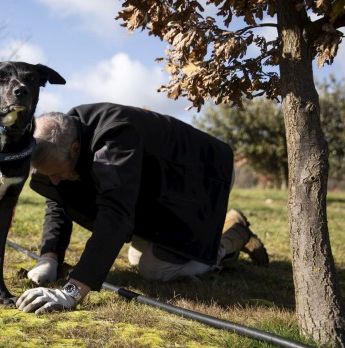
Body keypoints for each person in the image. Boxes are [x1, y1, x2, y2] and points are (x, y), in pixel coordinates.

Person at [15, 103, 269, 315]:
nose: (55, 181)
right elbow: (59, 198)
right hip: (158, 190)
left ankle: (229, 239)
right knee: (136, 257)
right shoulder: (63, 134)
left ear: (75, 149)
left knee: (155, 269)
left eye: (58, 173)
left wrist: (71, 292)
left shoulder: (115, 139)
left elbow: (114, 216)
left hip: (202, 179)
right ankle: (220, 231)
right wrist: (49, 257)